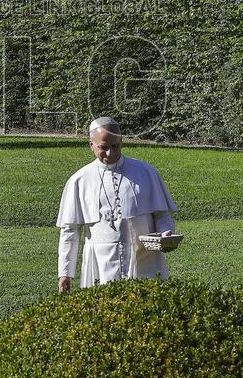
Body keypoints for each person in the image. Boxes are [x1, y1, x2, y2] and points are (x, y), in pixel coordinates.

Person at [57, 117, 179, 293]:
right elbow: (70, 230)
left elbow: (162, 215)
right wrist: (65, 273)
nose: (110, 153)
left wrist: (165, 234)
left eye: (115, 146)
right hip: (100, 262)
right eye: (103, 147)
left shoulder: (145, 172)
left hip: (144, 259)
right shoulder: (79, 180)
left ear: (121, 141)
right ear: (91, 145)